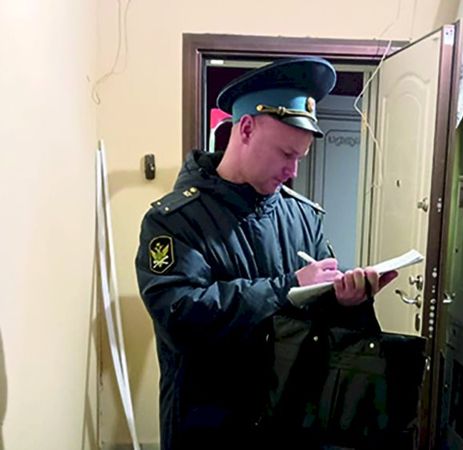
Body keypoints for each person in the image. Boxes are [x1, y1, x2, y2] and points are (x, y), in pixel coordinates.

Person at [135, 57, 397, 450]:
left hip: (291, 421)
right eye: (286, 154)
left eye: (300, 158)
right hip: (209, 427)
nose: (293, 171)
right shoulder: (174, 221)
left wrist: (347, 300)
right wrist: (286, 288)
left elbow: (321, 325)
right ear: (245, 129)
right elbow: (181, 316)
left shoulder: (302, 217)